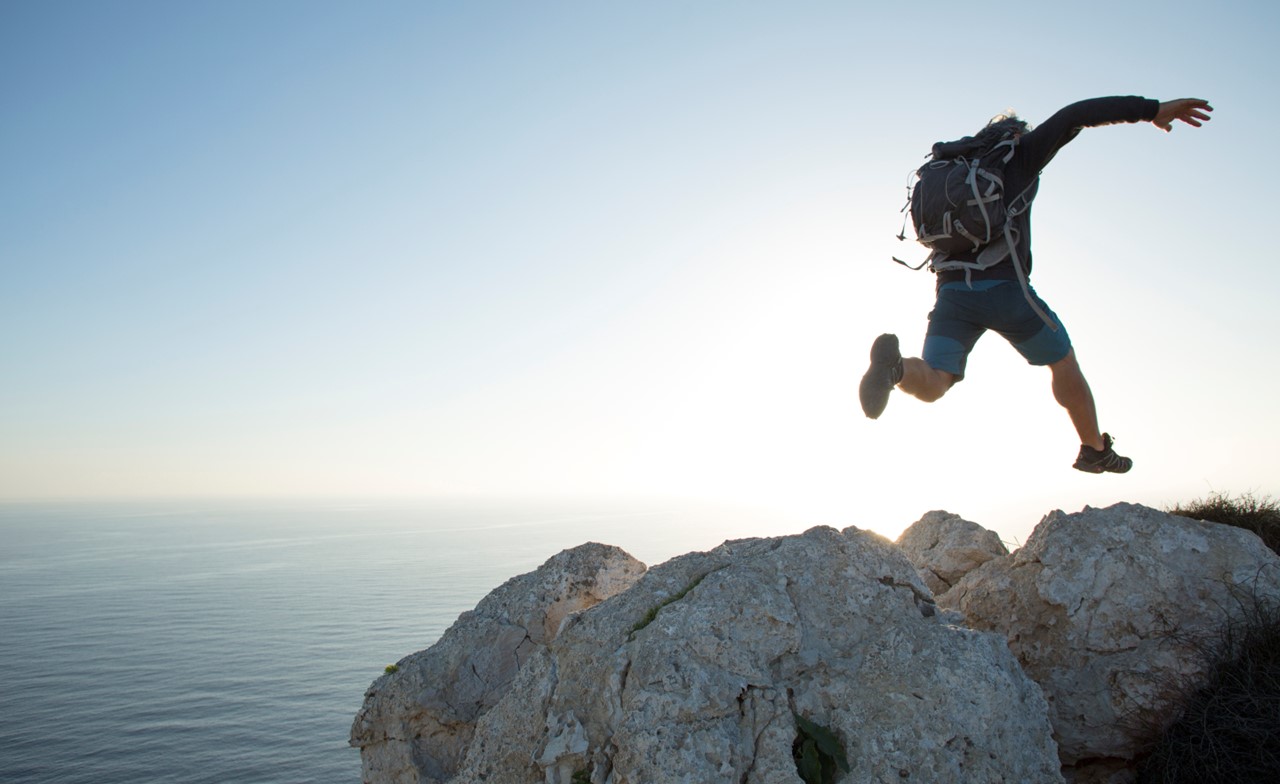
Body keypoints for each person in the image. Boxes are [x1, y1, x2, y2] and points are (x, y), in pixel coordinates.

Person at [859, 95, 1212, 473]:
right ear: (1014, 134)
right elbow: (1074, 116)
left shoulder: (950, 168)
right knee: (1063, 361)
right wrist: (1150, 110)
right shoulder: (1018, 155)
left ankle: (895, 369)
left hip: (952, 293)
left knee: (935, 380)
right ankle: (1094, 449)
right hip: (1005, 291)